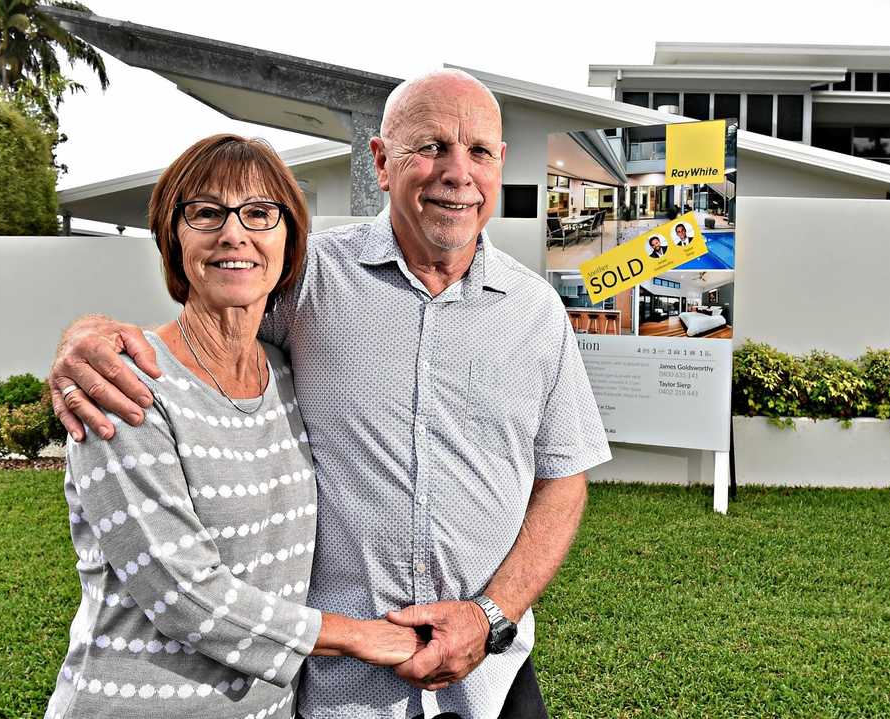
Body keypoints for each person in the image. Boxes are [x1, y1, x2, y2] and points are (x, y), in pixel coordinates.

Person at [49, 69, 611, 719]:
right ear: (380, 160)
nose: (458, 172)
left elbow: (563, 479)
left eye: (479, 150)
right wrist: (85, 335)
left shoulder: (537, 312)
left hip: (491, 677)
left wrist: (491, 616)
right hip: (342, 690)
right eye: (430, 146)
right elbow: (209, 327)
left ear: (500, 164)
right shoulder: (303, 278)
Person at [43, 135, 421, 719]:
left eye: (260, 212)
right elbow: (184, 596)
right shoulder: (122, 385)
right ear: (174, 238)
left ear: (290, 239)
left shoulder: (290, 377)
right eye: (206, 212)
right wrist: (360, 637)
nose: (233, 233)